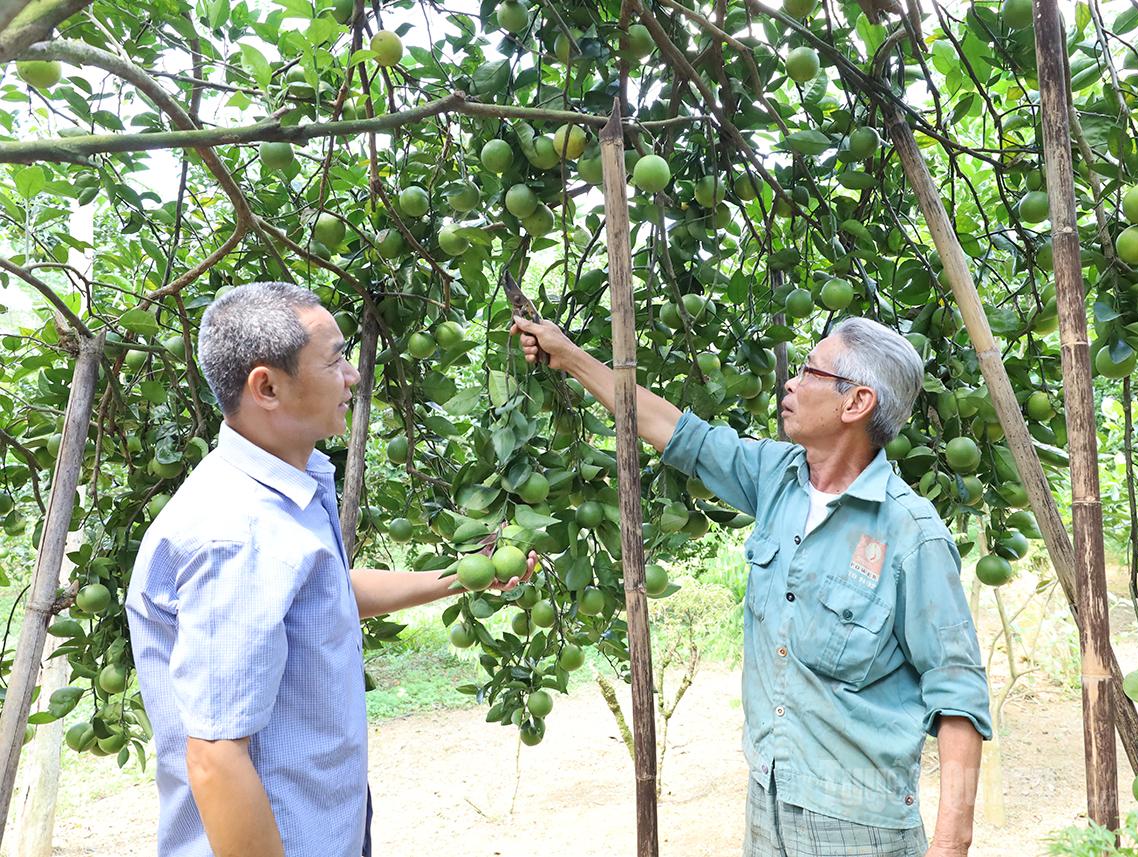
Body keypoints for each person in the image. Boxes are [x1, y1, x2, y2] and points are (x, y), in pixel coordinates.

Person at [511, 313, 991, 857]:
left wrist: (952, 843)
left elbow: (957, 694)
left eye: (810, 372)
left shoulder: (911, 533)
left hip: (860, 826)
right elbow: (674, 431)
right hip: (768, 803)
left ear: (856, 404)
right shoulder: (776, 478)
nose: (791, 381)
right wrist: (570, 356)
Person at [126, 282, 533, 857]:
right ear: (267, 387)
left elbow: (320, 596)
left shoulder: (283, 490)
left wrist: (461, 575)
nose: (353, 375)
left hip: (324, 818)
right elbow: (216, 759)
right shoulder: (236, 534)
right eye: (335, 359)